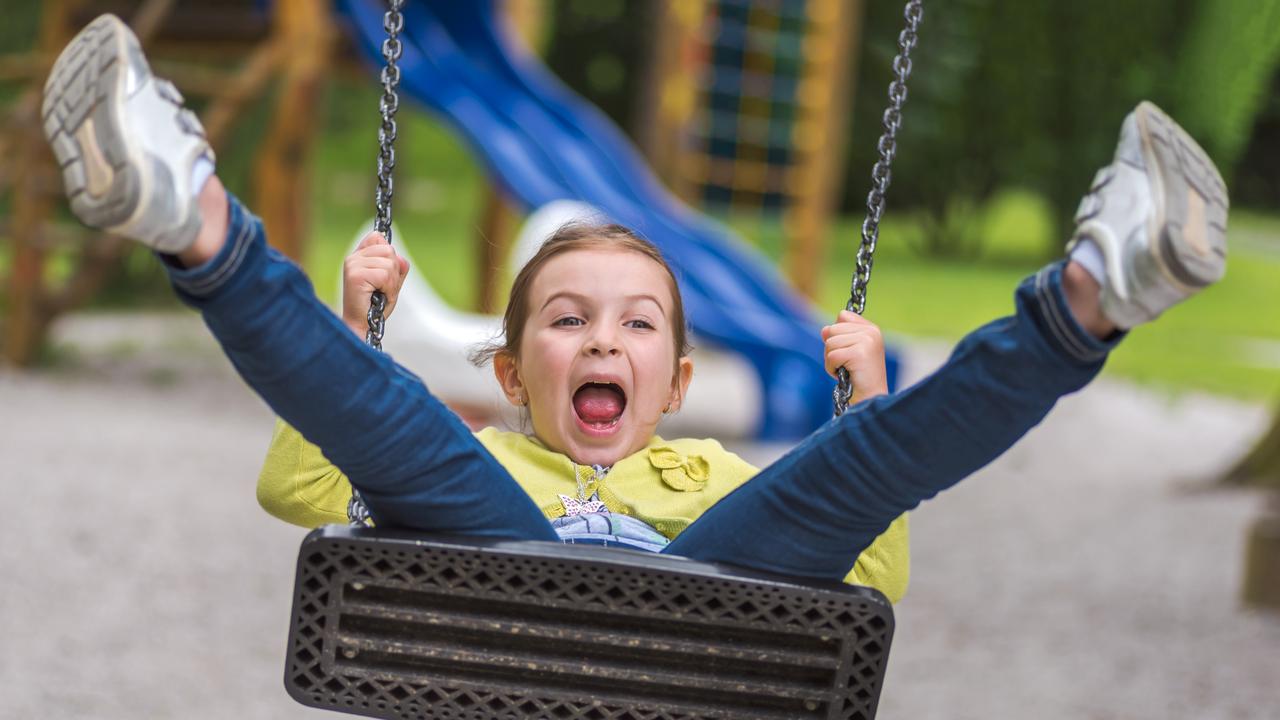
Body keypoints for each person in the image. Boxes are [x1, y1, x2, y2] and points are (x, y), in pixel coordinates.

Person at [43, 15, 1227, 605]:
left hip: (706, 583)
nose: (601, 339)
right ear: (510, 376)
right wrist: (363, 338)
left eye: (636, 327)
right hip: (491, 555)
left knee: (850, 471)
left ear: (672, 385)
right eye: (563, 321)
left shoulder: (710, 481)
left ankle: (1091, 295)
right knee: (401, 434)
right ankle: (188, 212)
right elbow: (300, 483)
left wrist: (862, 400)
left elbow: (870, 562)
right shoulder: (483, 465)